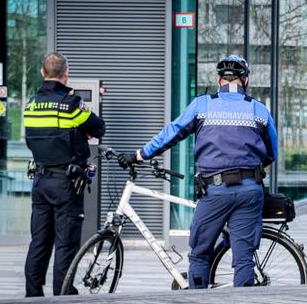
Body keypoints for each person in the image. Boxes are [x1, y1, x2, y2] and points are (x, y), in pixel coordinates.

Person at [118, 55, 277, 289]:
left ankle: (198, 301)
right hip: (249, 190)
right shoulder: (258, 109)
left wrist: (140, 154)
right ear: (246, 80)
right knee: (243, 259)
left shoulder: (203, 105)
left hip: (216, 190)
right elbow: (272, 152)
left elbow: (172, 133)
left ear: (218, 80)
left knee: (200, 253)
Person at [23, 52, 105, 297]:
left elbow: (38, 137)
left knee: (39, 243)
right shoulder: (70, 104)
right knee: (66, 244)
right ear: (65, 73)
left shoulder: (31, 104)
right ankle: (63, 296)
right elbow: (98, 127)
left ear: (42, 73)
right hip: (66, 185)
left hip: (40, 180)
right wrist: (80, 133)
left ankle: (32, 295)